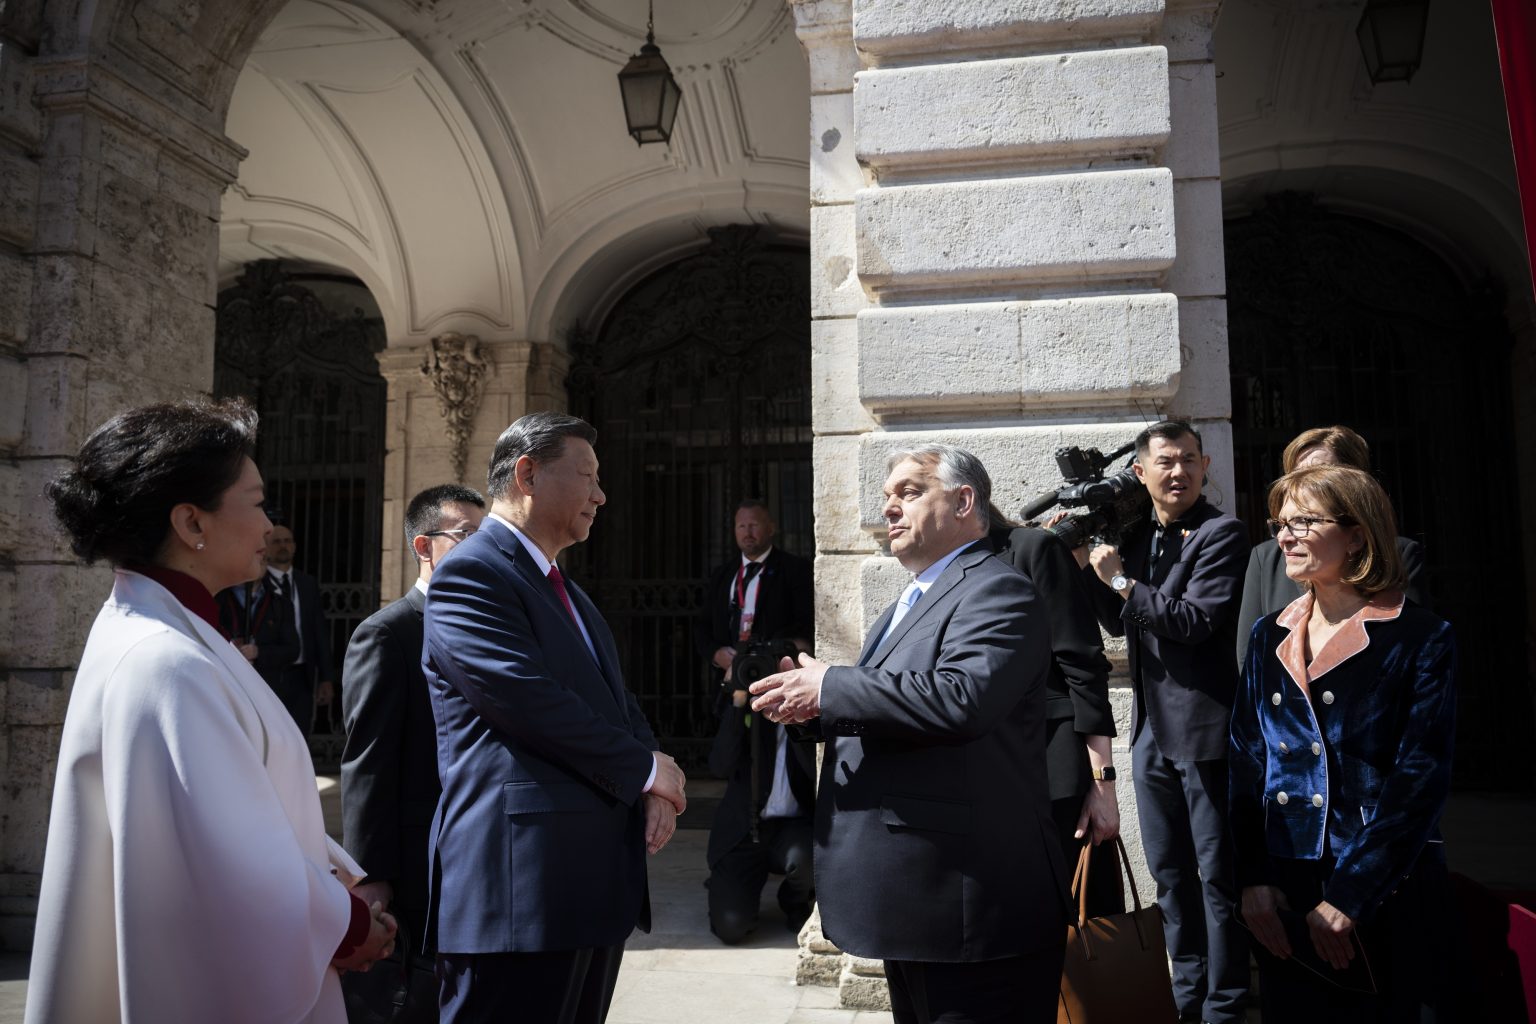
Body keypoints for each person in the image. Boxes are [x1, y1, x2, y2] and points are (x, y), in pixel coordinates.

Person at [27, 398, 395, 1024]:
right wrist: (349, 927)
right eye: (256, 504)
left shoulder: (172, 631)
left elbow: (244, 804)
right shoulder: (166, 659)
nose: (268, 526)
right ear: (191, 522)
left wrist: (338, 878)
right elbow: (230, 860)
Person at [750, 444, 1068, 1024]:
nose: (890, 509)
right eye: (886, 497)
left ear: (964, 502)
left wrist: (831, 686)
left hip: (968, 905)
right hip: (918, 902)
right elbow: (899, 706)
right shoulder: (916, 596)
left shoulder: (998, 590)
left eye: (910, 493)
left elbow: (960, 701)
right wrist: (814, 710)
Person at [423, 412, 688, 1024]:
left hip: (580, 890)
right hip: (519, 893)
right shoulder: (471, 572)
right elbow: (526, 698)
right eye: (587, 475)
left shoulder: (565, 589)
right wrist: (644, 770)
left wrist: (653, 778)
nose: (601, 494)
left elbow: (615, 699)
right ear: (528, 475)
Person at [1230, 465, 1455, 1022]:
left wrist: (1352, 895)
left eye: (1304, 522)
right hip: (1287, 883)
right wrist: (1253, 879)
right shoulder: (1268, 633)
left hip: (1379, 885)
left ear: (1356, 535)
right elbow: (1246, 761)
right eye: (1280, 524)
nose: (1285, 536)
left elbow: (1419, 779)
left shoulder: (1419, 636)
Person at [1080, 420, 1250, 1024]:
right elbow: (1116, 619)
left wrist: (1121, 581)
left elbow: (1193, 621)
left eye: (1188, 460)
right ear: (1142, 472)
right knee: (1170, 875)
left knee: (1217, 878)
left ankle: (1225, 1006)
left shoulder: (1221, 533)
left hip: (1203, 731)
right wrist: (1089, 570)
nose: (1178, 472)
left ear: (1205, 466)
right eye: (1166, 462)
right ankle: (1186, 999)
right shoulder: (1141, 536)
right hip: (1151, 731)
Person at [340, 483, 486, 1000]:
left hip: (479, 851)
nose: (483, 548)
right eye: (466, 535)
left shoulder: (488, 626)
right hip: (419, 860)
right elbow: (369, 763)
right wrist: (371, 874)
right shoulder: (387, 633)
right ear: (424, 546)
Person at [694, 499, 816, 943]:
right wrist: (728, 666)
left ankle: (797, 898)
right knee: (730, 926)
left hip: (781, 673)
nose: (747, 532)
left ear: (771, 528)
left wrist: (781, 658)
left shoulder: (794, 571)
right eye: (740, 526)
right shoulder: (725, 575)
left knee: (807, 857)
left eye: (754, 525)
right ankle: (731, 881)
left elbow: (808, 623)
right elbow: (703, 628)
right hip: (736, 687)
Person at [989, 520, 1122, 917]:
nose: (894, 508)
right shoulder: (938, 569)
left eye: (913, 493)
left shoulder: (1033, 549)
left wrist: (1103, 784)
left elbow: (1083, 666)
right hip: (990, 780)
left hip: (1056, 777)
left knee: (1080, 919)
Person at [1235, 426, 1430, 667]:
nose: (1285, 538)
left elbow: (1409, 650)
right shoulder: (1265, 561)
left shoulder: (1399, 558)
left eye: (1322, 473)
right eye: (1298, 474)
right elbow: (1250, 660)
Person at [263, 520, 335, 736]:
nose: (283, 546)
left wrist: (326, 677)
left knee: (299, 734)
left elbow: (318, 631)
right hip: (268, 673)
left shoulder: (306, 583)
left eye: (287, 541)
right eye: (276, 542)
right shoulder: (258, 583)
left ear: (294, 546)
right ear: (266, 547)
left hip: (302, 675)